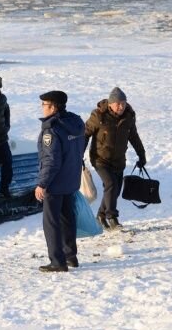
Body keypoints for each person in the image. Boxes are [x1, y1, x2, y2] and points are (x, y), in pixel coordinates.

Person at [34, 90, 85, 273]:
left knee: (52, 222)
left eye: (45, 105)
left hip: (55, 183)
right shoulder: (76, 123)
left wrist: (42, 184)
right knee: (67, 219)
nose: (42, 108)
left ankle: (57, 261)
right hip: (71, 179)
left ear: (53, 107)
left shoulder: (52, 130)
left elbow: (51, 161)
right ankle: (70, 256)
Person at [83, 87, 146, 231]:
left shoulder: (128, 117)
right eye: (118, 103)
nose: (121, 106)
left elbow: (134, 137)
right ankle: (112, 217)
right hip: (100, 159)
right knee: (110, 184)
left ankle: (100, 215)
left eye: (123, 103)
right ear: (111, 104)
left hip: (118, 160)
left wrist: (142, 155)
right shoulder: (99, 116)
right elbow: (85, 134)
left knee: (114, 190)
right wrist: (79, 155)